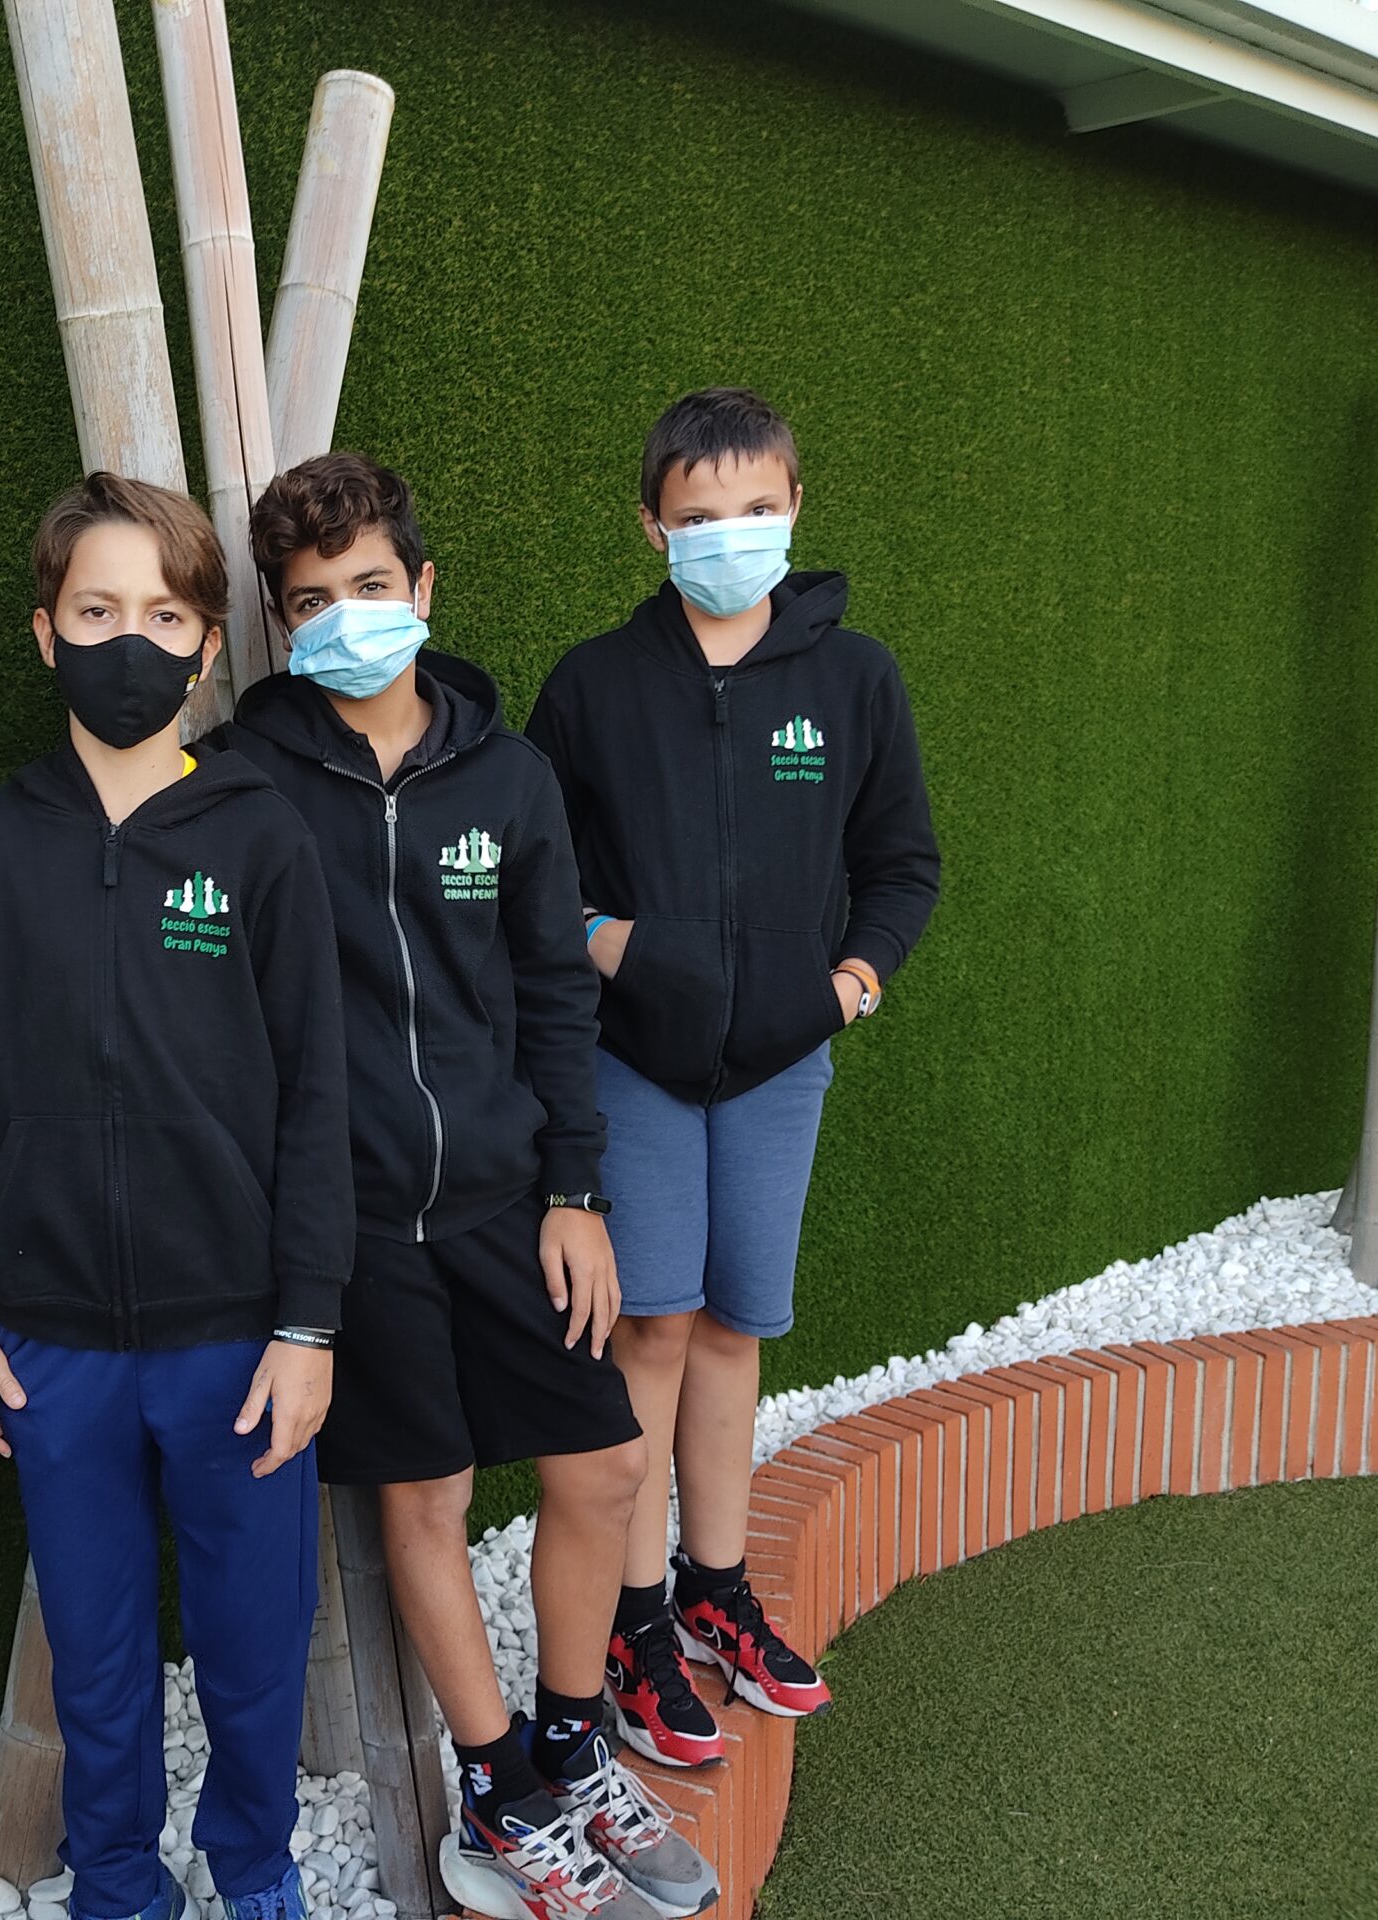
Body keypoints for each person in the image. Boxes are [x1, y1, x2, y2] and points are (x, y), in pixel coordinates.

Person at [219, 452, 718, 1920]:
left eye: (371, 586)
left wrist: (577, 1191)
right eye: (313, 600)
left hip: (507, 1199)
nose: (346, 618)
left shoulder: (510, 779)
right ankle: (498, 1796)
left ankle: (571, 1748)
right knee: (427, 1496)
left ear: (424, 588)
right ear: (280, 621)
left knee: (607, 1466)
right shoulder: (244, 783)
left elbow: (556, 990)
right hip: (357, 1222)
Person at [0, 472, 350, 1920]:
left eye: (163, 615)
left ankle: (255, 1864)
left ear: (208, 647)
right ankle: (113, 1878)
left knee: (253, 1640)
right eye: (96, 612)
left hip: (238, 1336)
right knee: (93, 1651)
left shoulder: (262, 836)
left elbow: (319, 1096)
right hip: (48, 1337)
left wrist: (308, 1325)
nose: (129, 642)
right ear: (45, 634)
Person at [527, 388, 938, 1757]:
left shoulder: (854, 678)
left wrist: (846, 985)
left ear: (795, 507)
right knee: (650, 1328)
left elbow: (902, 865)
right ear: (651, 526)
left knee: (732, 1330)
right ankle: (636, 1617)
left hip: (779, 1067)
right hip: (635, 1061)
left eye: (757, 508)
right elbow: (543, 876)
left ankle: (715, 1589)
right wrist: (614, 943)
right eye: (699, 516)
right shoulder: (593, 685)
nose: (730, 535)